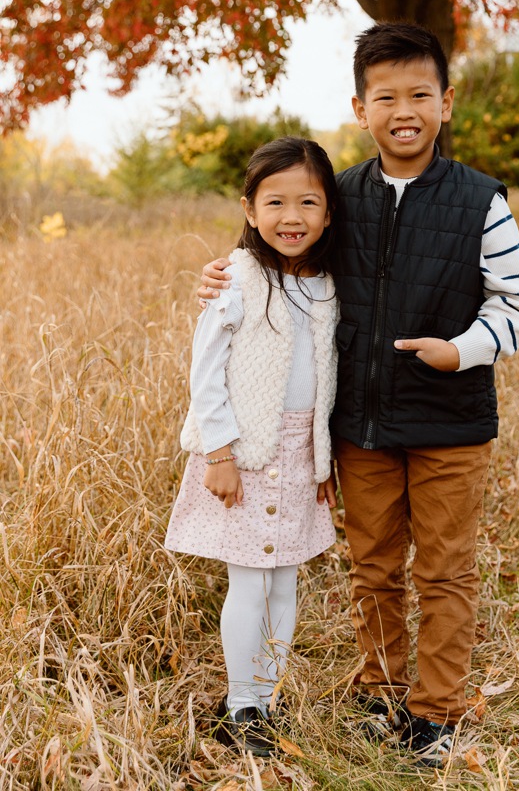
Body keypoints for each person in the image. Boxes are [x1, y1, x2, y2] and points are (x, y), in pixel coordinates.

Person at [198, 24, 519, 767]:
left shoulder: (481, 200)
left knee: (444, 570)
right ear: (361, 107)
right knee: (375, 567)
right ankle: (378, 694)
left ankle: (437, 712)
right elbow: (282, 256)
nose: (403, 110)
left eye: (419, 94)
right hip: (360, 425)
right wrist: (222, 276)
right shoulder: (341, 196)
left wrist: (461, 350)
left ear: (445, 103)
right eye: (385, 96)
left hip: (452, 423)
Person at [166, 136, 339, 757]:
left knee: (286, 579)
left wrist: (323, 459)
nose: (292, 218)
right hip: (244, 453)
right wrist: (219, 454)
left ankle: (267, 697)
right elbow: (205, 371)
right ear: (249, 209)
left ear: (328, 213)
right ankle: (241, 705)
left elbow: (327, 380)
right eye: (276, 203)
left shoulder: (327, 284)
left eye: (308, 203)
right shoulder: (235, 277)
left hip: (300, 453)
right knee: (249, 580)